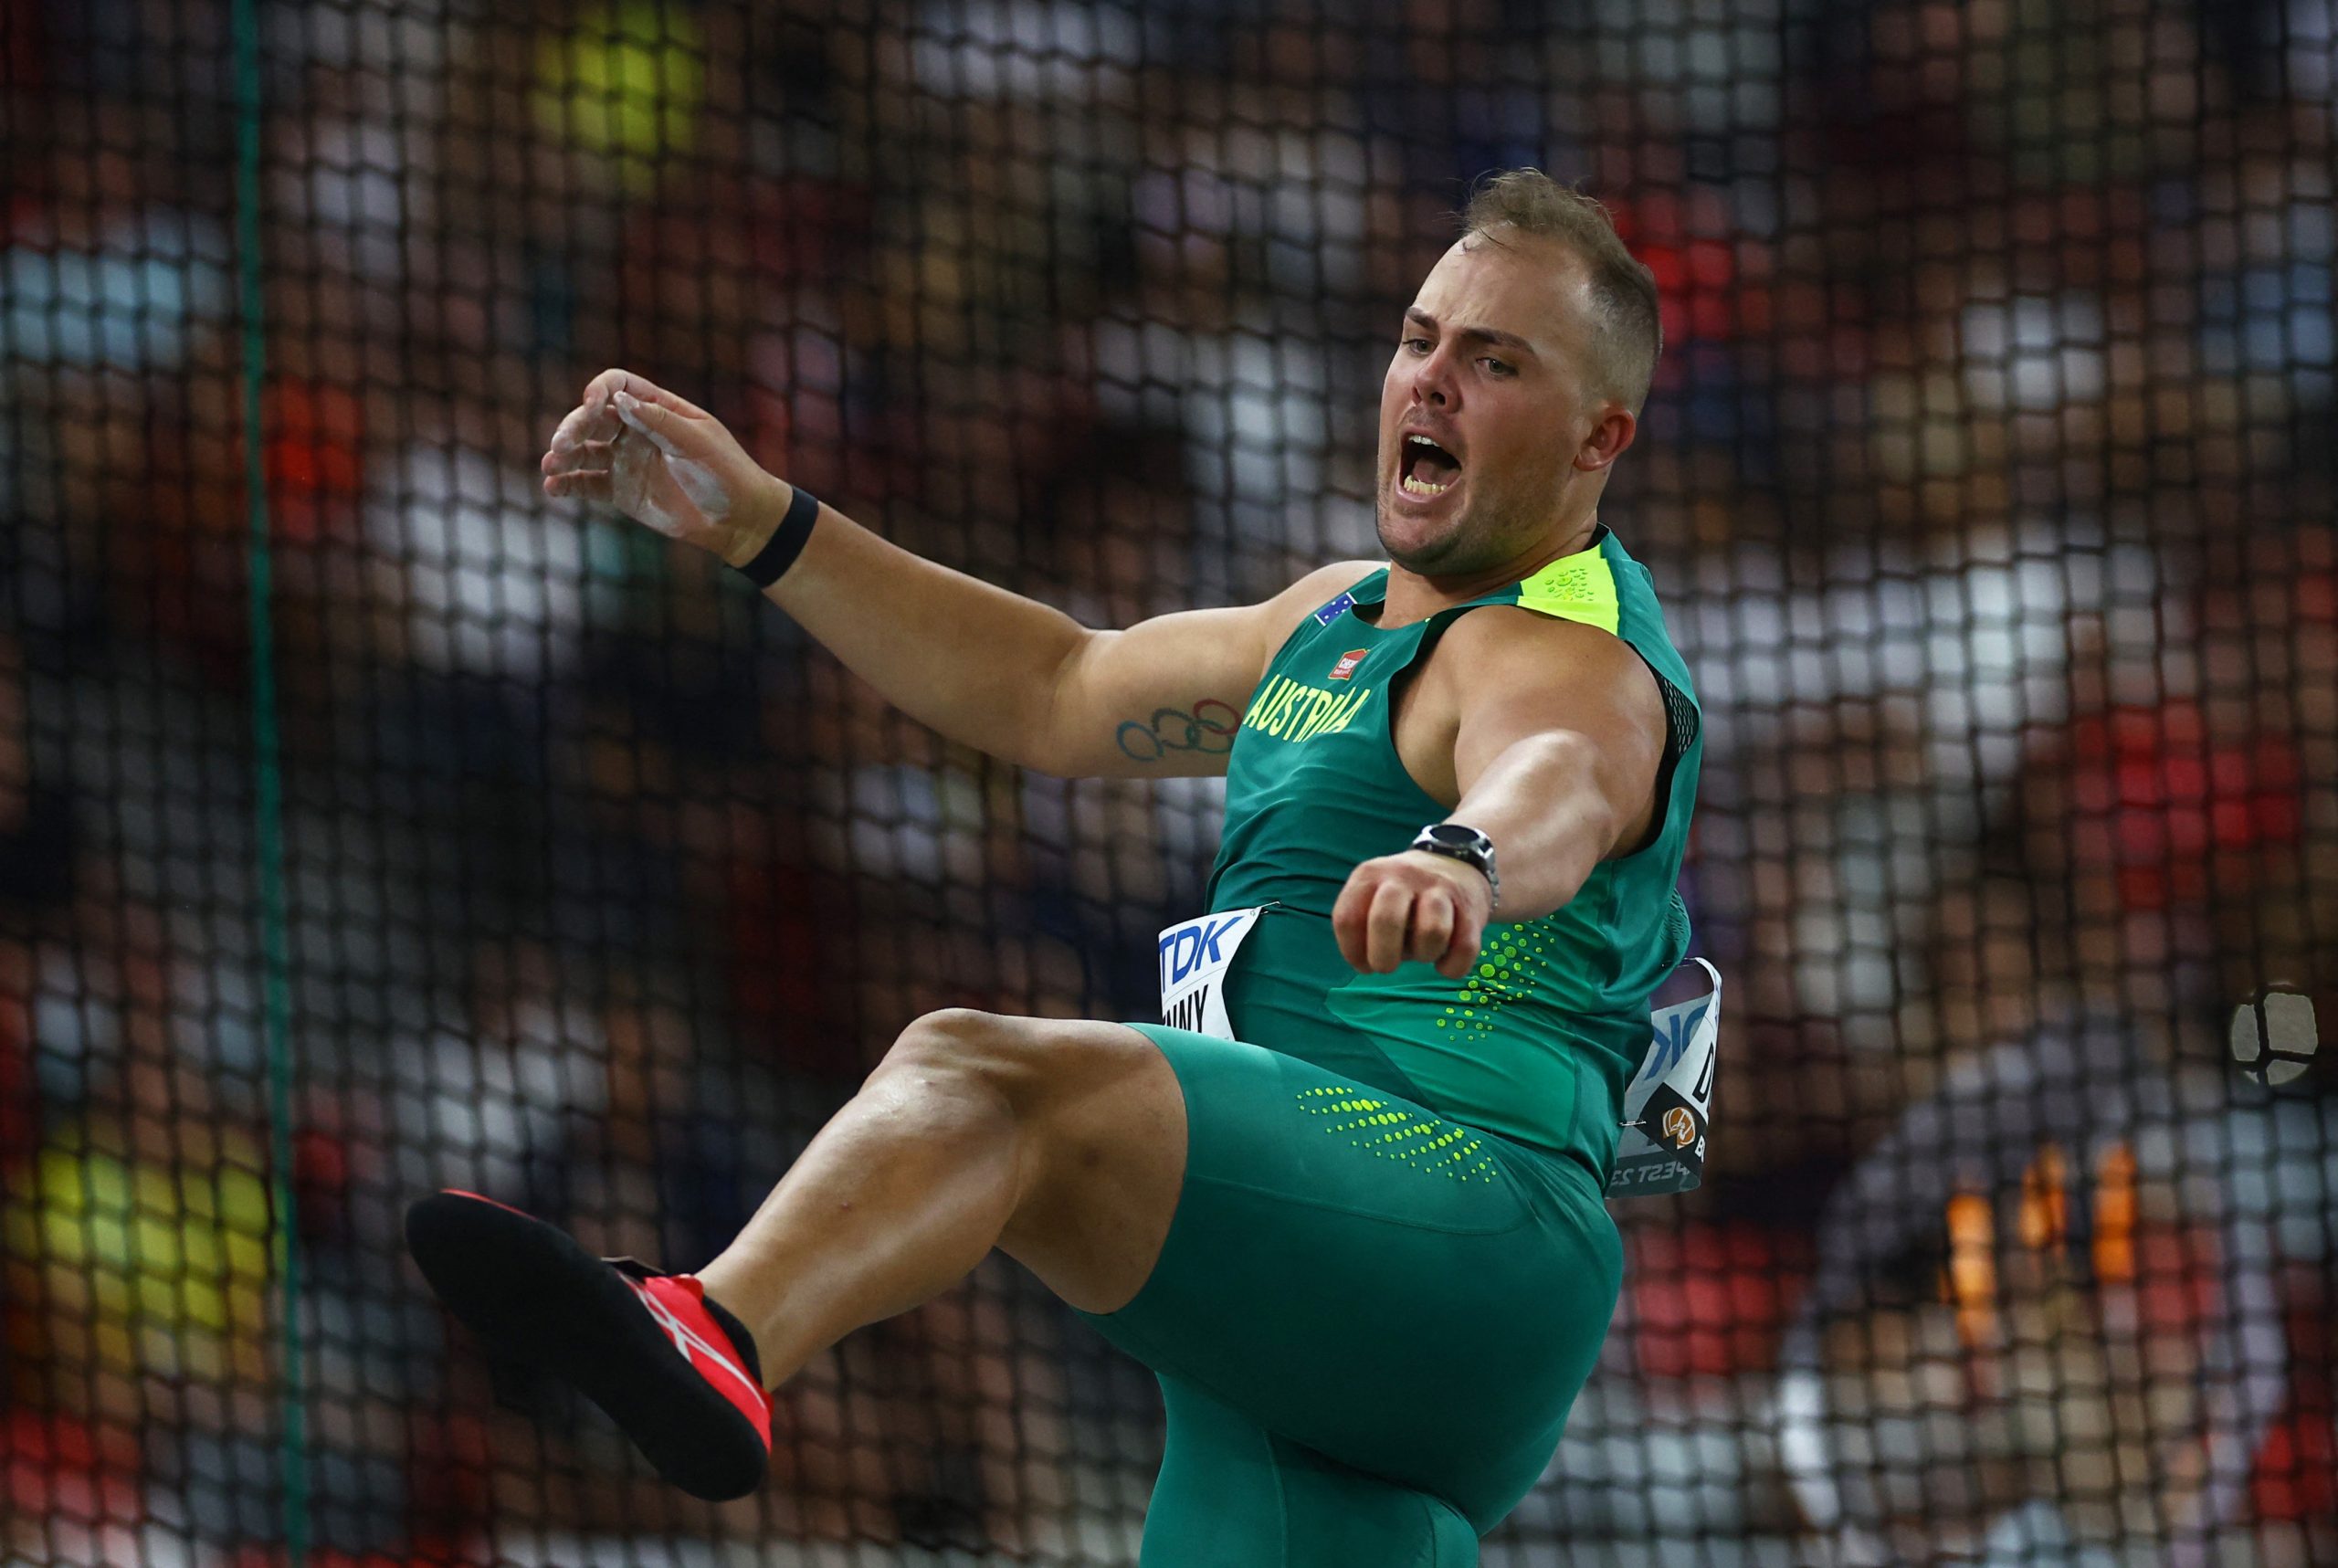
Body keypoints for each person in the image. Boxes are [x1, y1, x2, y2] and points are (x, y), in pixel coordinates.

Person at [405, 168, 1703, 1565]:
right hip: (1301, 1350)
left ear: (1596, 438)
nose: (1431, 382)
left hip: (1462, 1230)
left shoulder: (1570, 645)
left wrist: (1465, 853)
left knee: (984, 1078)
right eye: (1418, 338)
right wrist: (764, 526)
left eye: (1493, 361)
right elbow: (1054, 683)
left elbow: (1563, 769)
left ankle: (716, 1327)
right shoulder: (1329, 623)